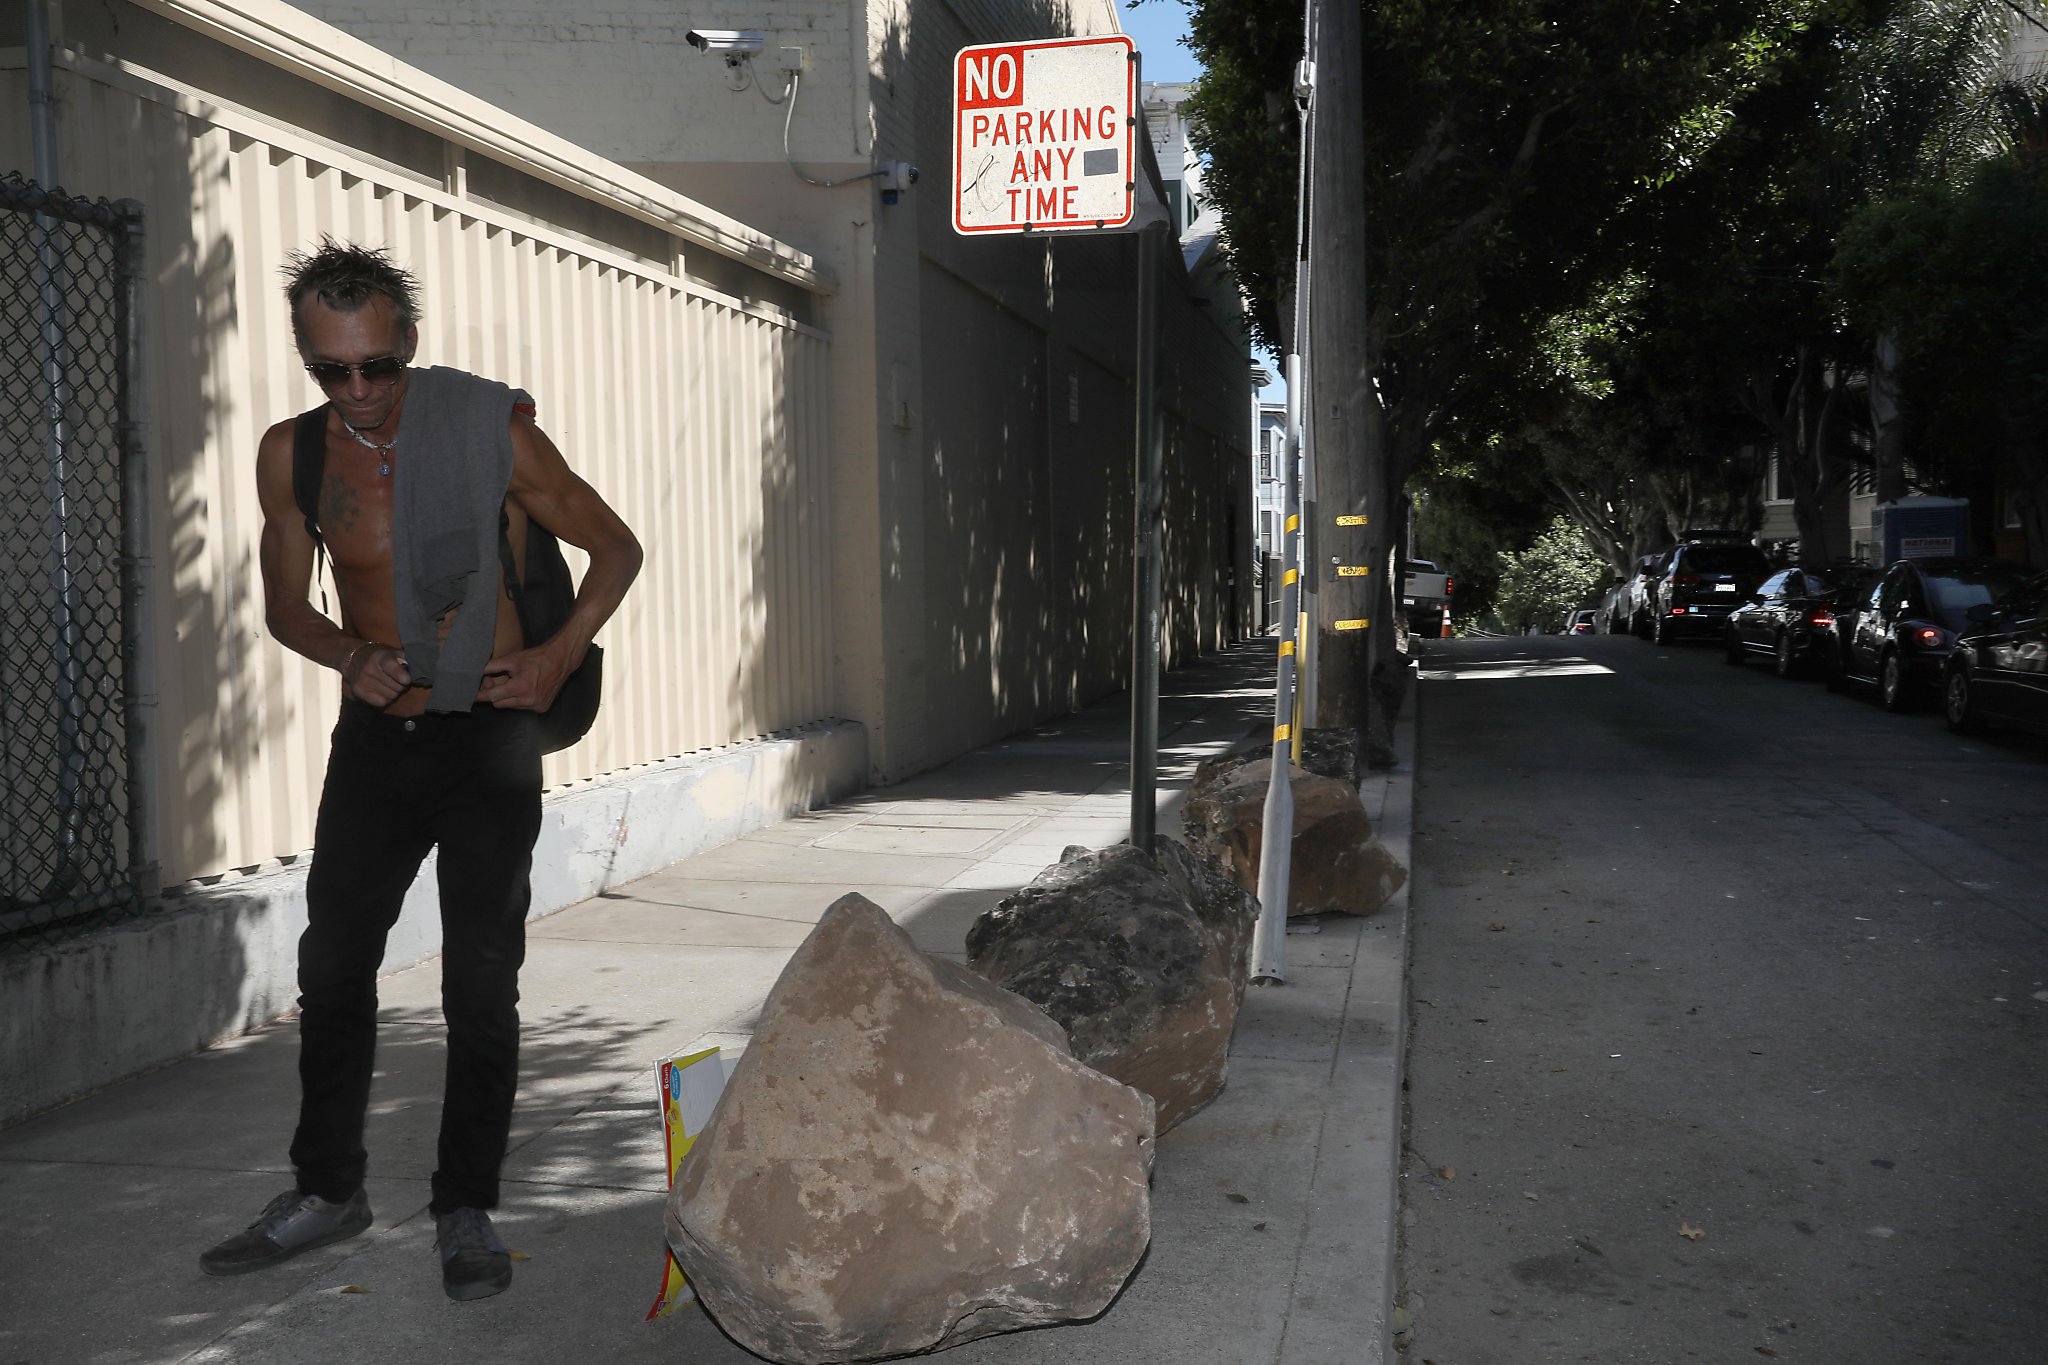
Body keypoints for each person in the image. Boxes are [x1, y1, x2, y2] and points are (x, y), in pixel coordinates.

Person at [199, 240, 642, 1301]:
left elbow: (615, 547)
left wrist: (554, 653)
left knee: (479, 982)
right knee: (333, 965)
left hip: (489, 734)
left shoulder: (496, 433)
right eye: (331, 372)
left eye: (376, 367)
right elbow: (283, 605)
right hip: (380, 740)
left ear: (410, 346)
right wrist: (349, 653)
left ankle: (464, 1208)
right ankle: (326, 1190)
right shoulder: (293, 457)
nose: (358, 393)